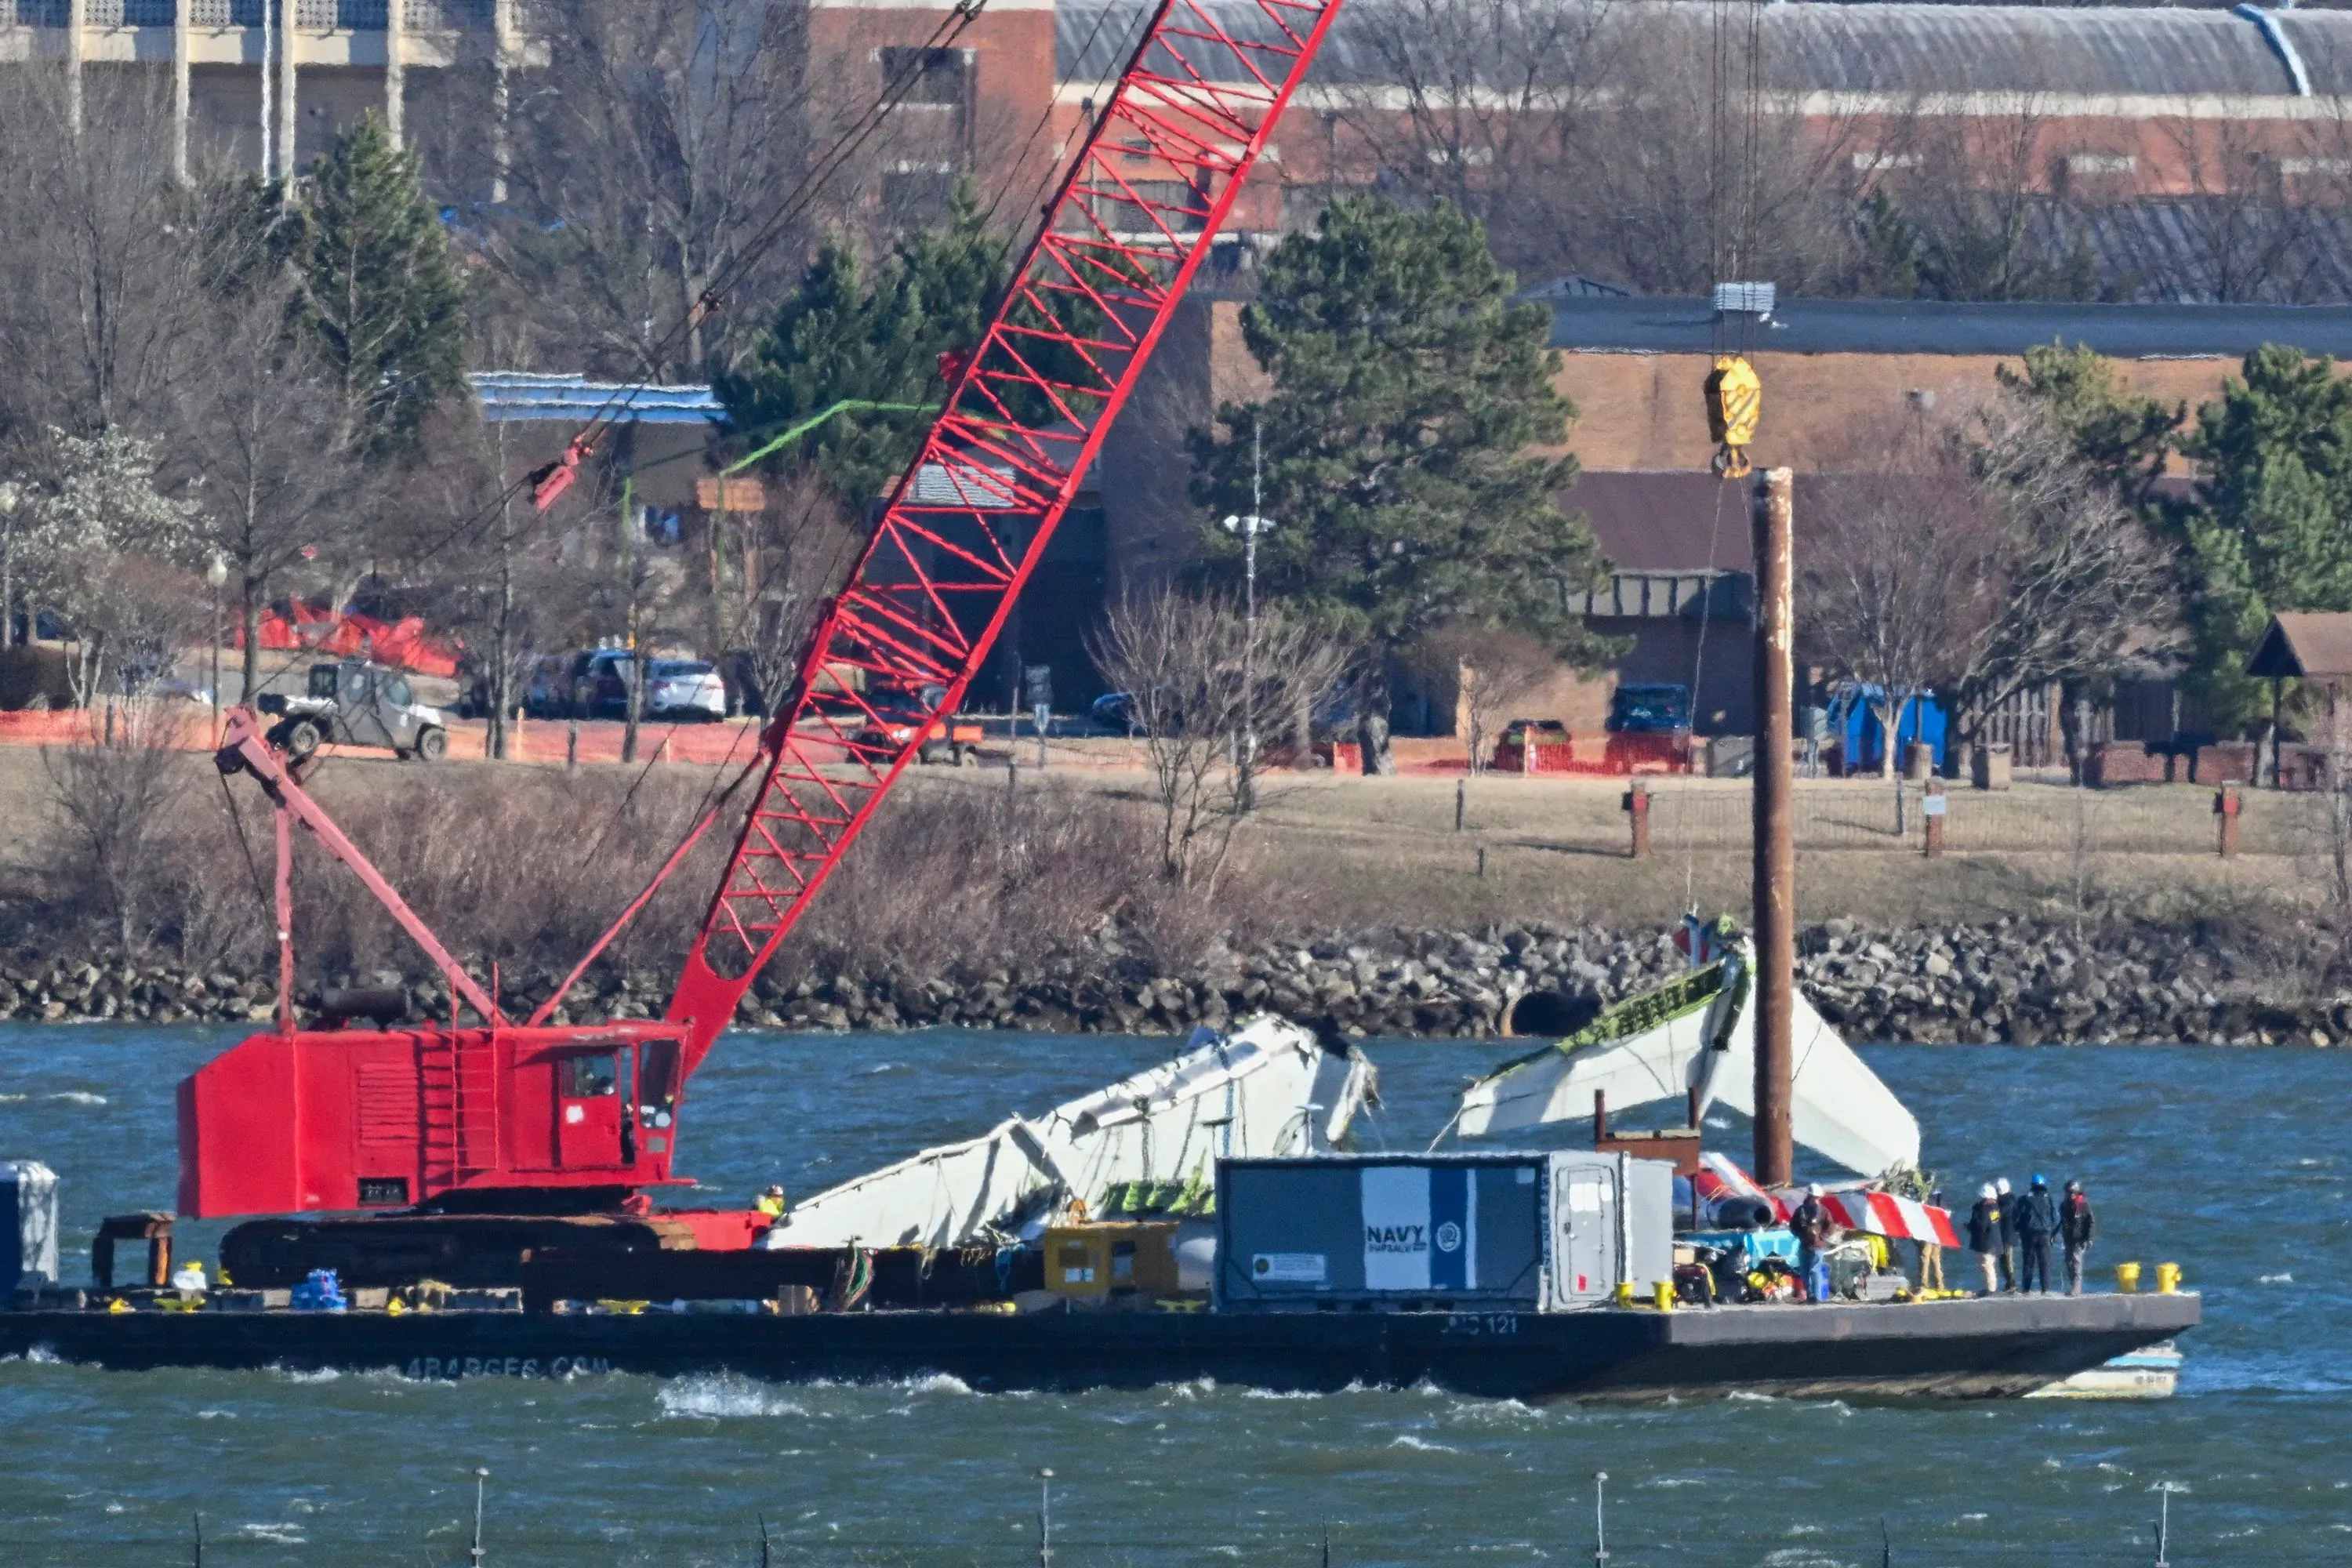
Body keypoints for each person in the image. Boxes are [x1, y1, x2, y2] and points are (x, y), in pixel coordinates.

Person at [1790, 1184, 1838, 1302]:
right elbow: (1793, 1225)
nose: (1816, 1200)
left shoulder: (1823, 1211)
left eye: (1818, 1198)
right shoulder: (1800, 1211)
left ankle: (1817, 1297)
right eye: (1814, 1197)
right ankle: (1810, 1296)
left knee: (1814, 1270)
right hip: (1804, 1246)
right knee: (1804, 1272)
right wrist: (1799, 1234)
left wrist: (1821, 1237)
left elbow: (1831, 1227)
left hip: (1817, 1247)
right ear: (1810, 1196)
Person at [2015, 1174, 2060, 1294]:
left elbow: (2018, 1218)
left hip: (2028, 1234)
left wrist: (2019, 1231)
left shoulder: (2024, 1199)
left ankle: (2026, 1289)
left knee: (2028, 1262)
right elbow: (2055, 1218)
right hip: (2045, 1233)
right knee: (2045, 1263)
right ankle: (2045, 1289)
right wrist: (2052, 1234)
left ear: (2032, 1185)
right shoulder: (2049, 1199)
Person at [2060, 1180, 2097, 1295]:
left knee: (2076, 1262)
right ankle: (2073, 1286)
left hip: (2080, 1239)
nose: (2071, 1194)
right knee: (2069, 1263)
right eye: (2069, 1192)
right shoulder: (2064, 1206)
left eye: (2073, 1192)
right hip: (2068, 1238)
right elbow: (2061, 1222)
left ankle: (2076, 1289)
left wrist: (2089, 1238)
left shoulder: (2083, 1206)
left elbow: (2091, 1222)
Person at [1966, 1183, 2002, 1294]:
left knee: (1987, 1266)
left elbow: (1981, 1225)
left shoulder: (1984, 1210)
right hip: (1994, 1241)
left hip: (1986, 1243)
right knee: (1989, 1266)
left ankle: (1991, 1290)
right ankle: (1991, 1288)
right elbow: (1993, 1224)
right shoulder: (1995, 1208)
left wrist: (1969, 1226)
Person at [1917, 1185, 1947, 1293]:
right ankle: (1940, 1285)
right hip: (1939, 1231)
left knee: (1925, 1258)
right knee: (1936, 1258)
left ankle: (1924, 1284)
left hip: (1927, 1231)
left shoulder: (1925, 1198)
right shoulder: (1940, 1198)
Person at [1994, 1176, 2018, 1291]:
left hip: (2008, 1235)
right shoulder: (2006, 1200)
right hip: (2003, 1235)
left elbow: (1998, 1215)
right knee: (2003, 1261)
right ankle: (2009, 1283)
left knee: (2008, 1260)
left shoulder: (2008, 1201)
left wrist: (1991, 1216)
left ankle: (2012, 1283)